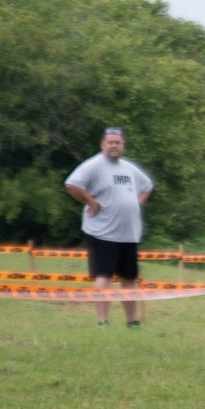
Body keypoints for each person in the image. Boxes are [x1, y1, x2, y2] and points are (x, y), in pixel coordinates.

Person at [64, 127, 154, 327]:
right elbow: (72, 184)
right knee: (104, 275)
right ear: (103, 144)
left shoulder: (128, 168)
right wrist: (91, 203)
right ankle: (103, 321)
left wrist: (135, 204)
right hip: (103, 232)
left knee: (129, 278)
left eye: (118, 142)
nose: (114, 145)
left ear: (123, 145)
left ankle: (132, 322)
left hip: (129, 233)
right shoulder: (94, 165)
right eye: (110, 142)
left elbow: (147, 186)